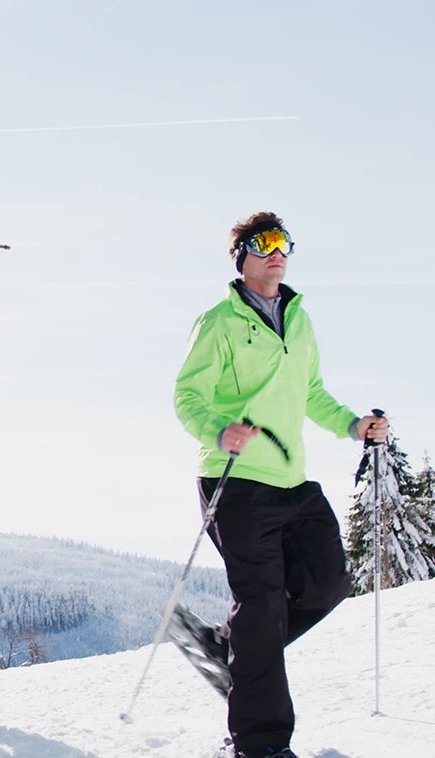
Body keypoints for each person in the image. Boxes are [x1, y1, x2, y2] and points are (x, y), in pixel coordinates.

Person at [173, 212, 388, 758]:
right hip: (236, 480)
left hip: (292, 480)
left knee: (328, 582)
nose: (277, 251)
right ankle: (259, 744)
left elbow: (312, 392)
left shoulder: (299, 320)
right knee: (263, 601)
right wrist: (218, 430)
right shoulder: (218, 321)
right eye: (264, 242)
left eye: (284, 243)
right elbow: (186, 396)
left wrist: (352, 425)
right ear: (240, 254)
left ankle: (229, 648)